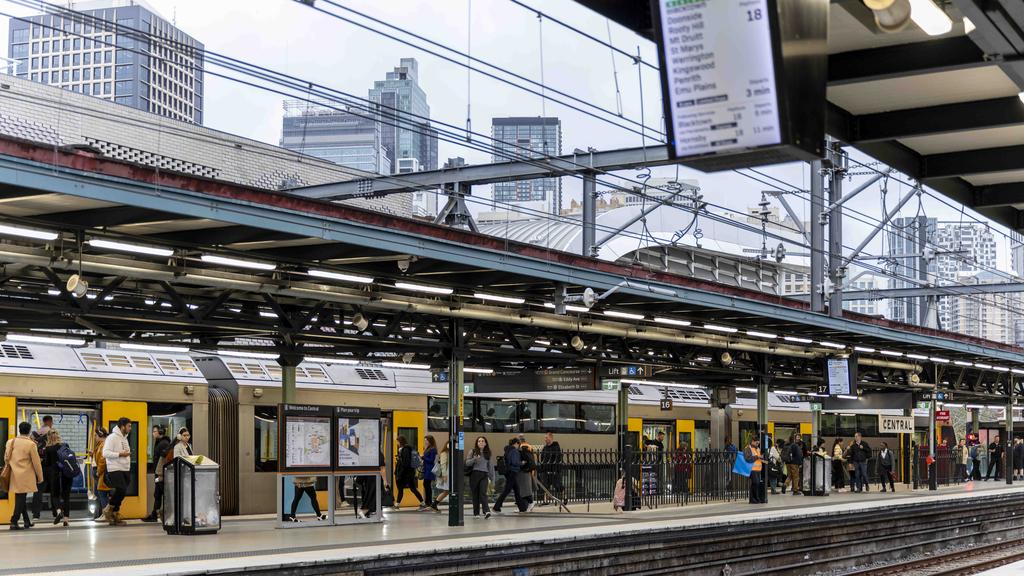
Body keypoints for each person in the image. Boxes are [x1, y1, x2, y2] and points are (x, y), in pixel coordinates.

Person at [5, 422, 44, 530]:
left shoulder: (10, 442)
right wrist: (40, 477)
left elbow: (6, 458)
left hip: (13, 474)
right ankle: (14, 521)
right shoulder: (31, 444)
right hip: (25, 475)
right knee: (21, 498)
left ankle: (27, 521)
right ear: (29, 431)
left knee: (20, 497)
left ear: (19, 429)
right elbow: (36, 463)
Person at [102, 417, 132, 526]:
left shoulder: (125, 438)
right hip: (115, 468)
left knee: (123, 492)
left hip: (125, 469)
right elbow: (105, 453)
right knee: (121, 489)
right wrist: (120, 454)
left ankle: (115, 514)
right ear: (122, 426)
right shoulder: (112, 437)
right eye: (129, 426)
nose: (130, 428)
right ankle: (108, 509)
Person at [43, 430, 76, 526]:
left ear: (48, 437)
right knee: (66, 496)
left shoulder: (48, 448)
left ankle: (58, 511)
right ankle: (66, 520)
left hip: (55, 474)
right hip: (67, 473)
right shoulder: (65, 445)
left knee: (55, 495)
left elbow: (47, 463)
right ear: (58, 435)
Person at [143, 425, 172, 522]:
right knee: (158, 494)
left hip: (161, 473)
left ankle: (165, 514)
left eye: (154, 431)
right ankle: (154, 515)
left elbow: (164, 459)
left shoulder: (164, 443)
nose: (153, 433)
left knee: (162, 493)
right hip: (159, 472)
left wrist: (160, 473)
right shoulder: (160, 442)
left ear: (160, 432)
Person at [493, 437, 526, 514]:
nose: (518, 446)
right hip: (512, 472)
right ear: (516, 443)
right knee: (507, 490)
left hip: (508, 472)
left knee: (516, 490)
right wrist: (522, 463)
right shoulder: (514, 451)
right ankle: (496, 507)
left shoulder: (507, 450)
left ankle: (522, 508)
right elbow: (515, 462)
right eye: (518, 444)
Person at [29, 415, 53, 520]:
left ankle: (36, 514)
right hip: (51, 466)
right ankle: (56, 513)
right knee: (54, 490)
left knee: (38, 490)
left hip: (39, 465)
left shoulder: (35, 434)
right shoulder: (52, 433)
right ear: (50, 422)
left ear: (43, 422)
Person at [466, 436, 494, 518]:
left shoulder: (488, 453)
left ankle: (487, 511)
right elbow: (467, 463)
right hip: (474, 474)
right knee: (475, 494)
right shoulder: (473, 451)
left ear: (485, 443)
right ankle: (476, 513)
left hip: (484, 475)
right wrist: (474, 459)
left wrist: (492, 479)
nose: (481, 442)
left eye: (482, 441)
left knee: (483, 493)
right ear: (477, 443)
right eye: (479, 441)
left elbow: (490, 466)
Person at [394, 436, 424, 509]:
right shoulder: (407, 449)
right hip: (408, 473)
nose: (397, 443)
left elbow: (406, 463)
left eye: (397, 442)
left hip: (405, 474)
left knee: (403, 489)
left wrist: (400, 473)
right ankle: (422, 503)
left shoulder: (405, 450)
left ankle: (397, 505)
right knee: (412, 489)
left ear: (400, 441)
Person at [91, 426, 110, 521]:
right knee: (99, 493)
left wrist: (98, 472)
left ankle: (106, 514)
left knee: (102, 493)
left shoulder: (103, 445)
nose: (95, 437)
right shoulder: (100, 444)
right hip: (99, 472)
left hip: (101, 473)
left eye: (96, 435)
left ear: (100, 435)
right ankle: (103, 513)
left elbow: (102, 461)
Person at [539, 431, 563, 504]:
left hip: (554, 470)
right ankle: (546, 500)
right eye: (545, 438)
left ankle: (564, 496)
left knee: (558, 486)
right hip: (546, 470)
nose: (545, 439)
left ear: (551, 438)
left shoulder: (556, 447)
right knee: (546, 486)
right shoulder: (545, 448)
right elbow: (542, 458)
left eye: (546, 438)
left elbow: (558, 458)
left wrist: (556, 469)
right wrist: (542, 467)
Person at [430, 441, 450, 513]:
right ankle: (434, 504)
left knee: (447, 491)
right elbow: (443, 465)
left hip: (451, 474)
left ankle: (434, 504)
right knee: (447, 491)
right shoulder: (444, 453)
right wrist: (444, 475)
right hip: (447, 474)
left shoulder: (452, 453)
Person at [744, 437, 765, 504]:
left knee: (756, 484)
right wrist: (757, 457)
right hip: (752, 469)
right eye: (756, 443)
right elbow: (747, 459)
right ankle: (753, 499)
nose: (757, 444)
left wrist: (761, 458)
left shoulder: (757, 449)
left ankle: (755, 499)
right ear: (752, 441)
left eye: (758, 443)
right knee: (755, 484)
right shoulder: (748, 448)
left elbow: (758, 458)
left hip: (758, 469)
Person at [420, 435, 437, 511]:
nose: (425, 441)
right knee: (426, 485)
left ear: (430, 441)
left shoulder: (433, 449)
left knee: (427, 485)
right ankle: (428, 502)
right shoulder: (428, 448)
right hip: (427, 469)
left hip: (429, 469)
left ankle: (429, 502)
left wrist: (423, 457)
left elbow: (431, 460)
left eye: (426, 440)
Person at [518, 440, 536, 512]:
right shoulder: (529, 450)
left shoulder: (522, 451)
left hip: (523, 472)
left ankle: (530, 503)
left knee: (524, 491)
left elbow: (522, 462)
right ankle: (523, 507)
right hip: (528, 471)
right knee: (525, 490)